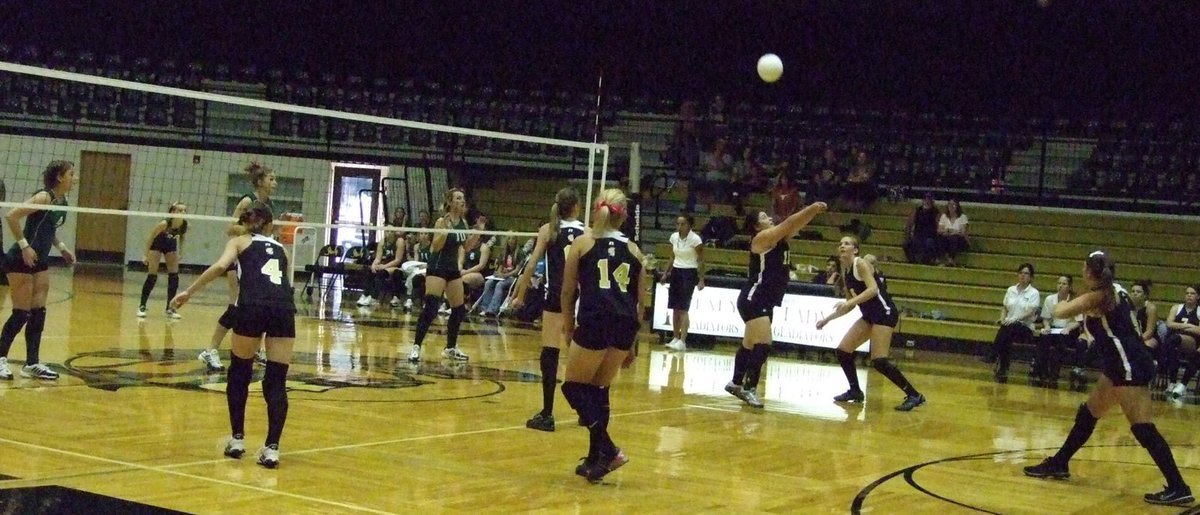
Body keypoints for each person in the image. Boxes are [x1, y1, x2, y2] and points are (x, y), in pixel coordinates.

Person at [1023, 251, 1193, 507]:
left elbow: (1059, 310)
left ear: (1090, 273)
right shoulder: (1116, 290)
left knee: (1143, 428)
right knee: (1088, 413)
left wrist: (1076, 296)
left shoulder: (1098, 297)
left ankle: (1179, 486)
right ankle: (1060, 463)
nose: (1081, 271)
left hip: (1129, 366)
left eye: (1083, 268)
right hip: (1120, 363)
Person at [172, 202, 294, 469]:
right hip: (284, 308)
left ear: (245, 223)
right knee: (276, 380)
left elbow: (220, 267)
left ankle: (238, 439)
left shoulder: (239, 241)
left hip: (251, 307)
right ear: (270, 226)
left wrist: (188, 292)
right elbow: (284, 282)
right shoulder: (281, 248)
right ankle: (272, 448)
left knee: (240, 371)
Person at [559, 188, 645, 483]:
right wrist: (634, 342)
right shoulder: (634, 250)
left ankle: (607, 449)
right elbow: (639, 300)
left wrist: (567, 325)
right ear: (623, 218)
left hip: (596, 318)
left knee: (573, 387)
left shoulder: (583, 243)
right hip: (625, 323)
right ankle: (596, 460)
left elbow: (568, 290)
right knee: (598, 390)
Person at [725, 202, 828, 408]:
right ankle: (749, 388)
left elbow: (796, 225)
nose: (770, 218)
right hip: (755, 298)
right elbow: (790, 222)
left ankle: (735, 382)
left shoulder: (778, 238)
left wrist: (812, 214)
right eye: (764, 217)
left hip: (765, 299)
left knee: (749, 343)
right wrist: (812, 207)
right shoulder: (761, 239)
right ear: (756, 226)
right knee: (763, 343)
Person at [817, 235, 927, 411]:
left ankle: (914, 395)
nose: (842, 246)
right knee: (843, 351)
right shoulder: (845, 271)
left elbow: (873, 289)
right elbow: (848, 305)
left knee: (879, 361)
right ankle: (855, 391)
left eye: (847, 243)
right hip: (869, 315)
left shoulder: (860, 263)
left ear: (856, 249)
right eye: (840, 243)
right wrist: (827, 319)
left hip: (885, 313)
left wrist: (851, 302)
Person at [512, 187, 584, 432]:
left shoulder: (548, 229)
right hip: (580, 297)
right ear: (576, 206)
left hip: (555, 296)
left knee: (550, 354)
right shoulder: (587, 232)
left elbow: (531, 265)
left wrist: (520, 296)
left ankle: (547, 413)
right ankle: (586, 411)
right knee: (582, 355)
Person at [0, 160, 76, 380]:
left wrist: (62, 248)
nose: (75, 178)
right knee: (21, 312)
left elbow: (48, 229)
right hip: (20, 259)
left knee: (38, 312)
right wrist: (24, 246)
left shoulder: (63, 201)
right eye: (71, 174)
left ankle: (32, 363)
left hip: (40, 260)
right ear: (60, 177)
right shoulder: (44, 197)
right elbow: (12, 215)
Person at [198, 161, 276, 372]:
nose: (275, 182)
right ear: (260, 182)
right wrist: (250, 230)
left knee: (258, 303)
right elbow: (230, 228)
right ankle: (210, 350)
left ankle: (257, 350)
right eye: (271, 178)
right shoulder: (247, 201)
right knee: (236, 305)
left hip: (257, 259)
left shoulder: (269, 204)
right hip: (239, 257)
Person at [407, 188, 475, 363]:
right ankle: (416, 347)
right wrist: (445, 232)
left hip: (452, 268)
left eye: (463, 198)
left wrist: (479, 231)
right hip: (437, 267)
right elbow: (435, 247)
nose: (462, 201)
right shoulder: (441, 222)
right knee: (431, 308)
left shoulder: (464, 223)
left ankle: (450, 348)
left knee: (459, 310)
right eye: (458, 198)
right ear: (450, 202)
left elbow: (466, 246)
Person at [989, 263, 1041, 382]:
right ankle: (1002, 366)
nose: (1023, 275)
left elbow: (1030, 311)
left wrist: (1014, 319)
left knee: (1007, 330)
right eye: (1021, 273)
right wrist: (1002, 319)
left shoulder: (1034, 293)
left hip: (1025, 326)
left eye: (1026, 273)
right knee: (1006, 333)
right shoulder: (1011, 290)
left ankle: (994, 354)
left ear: (1031, 277)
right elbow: (1005, 307)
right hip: (1009, 326)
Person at [661, 215, 705, 352]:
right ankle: (675, 337)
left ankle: (683, 340)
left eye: (683, 224)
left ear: (689, 225)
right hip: (676, 272)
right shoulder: (674, 237)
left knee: (684, 308)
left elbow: (702, 260)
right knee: (675, 307)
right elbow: (672, 256)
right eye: (678, 224)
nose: (680, 227)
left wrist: (701, 279)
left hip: (689, 273)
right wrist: (665, 273)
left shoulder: (695, 240)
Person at [138, 202, 188, 319]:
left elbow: (182, 237)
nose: (183, 213)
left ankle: (170, 308)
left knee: (174, 275)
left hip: (170, 245)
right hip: (156, 245)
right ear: (173, 212)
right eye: (180, 210)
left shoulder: (184, 224)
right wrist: (145, 255)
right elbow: (151, 237)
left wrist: (181, 252)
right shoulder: (164, 223)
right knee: (152, 275)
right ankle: (142, 306)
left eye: (184, 211)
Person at [1032, 275, 1081, 387]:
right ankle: (1041, 372)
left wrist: (1067, 328)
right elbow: (1046, 318)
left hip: (1068, 329)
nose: (1060, 286)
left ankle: (1054, 374)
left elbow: (1078, 321)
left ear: (1069, 286)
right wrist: (1047, 326)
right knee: (1043, 339)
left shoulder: (1074, 301)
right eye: (1059, 283)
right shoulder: (1050, 299)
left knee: (1060, 343)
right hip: (1053, 328)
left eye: (1064, 284)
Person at [357, 208, 407, 308]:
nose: (388, 233)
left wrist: (384, 266)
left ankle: (373, 297)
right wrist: (374, 265)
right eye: (387, 231)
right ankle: (365, 295)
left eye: (390, 231)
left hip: (397, 266)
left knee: (381, 273)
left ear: (394, 232)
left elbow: (398, 260)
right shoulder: (382, 242)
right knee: (370, 271)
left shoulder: (399, 241)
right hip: (384, 265)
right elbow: (378, 258)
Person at [1160, 285, 1200, 398]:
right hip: (1174, 340)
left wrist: (1180, 327)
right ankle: (1172, 382)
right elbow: (1169, 323)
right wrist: (1188, 326)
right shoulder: (1176, 308)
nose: (1189, 295)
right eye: (1187, 293)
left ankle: (1180, 384)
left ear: (1198, 296)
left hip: (1191, 342)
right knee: (1172, 343)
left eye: (1192, 293)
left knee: (1175, 339)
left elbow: (1199, 331)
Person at [903, 193, 940, 265]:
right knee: (906, 243)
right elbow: (909, 224)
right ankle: (912, 260)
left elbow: (938, 226)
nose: (927, 201)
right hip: (918, 236)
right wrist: (908, 235)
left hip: (930, 237)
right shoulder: (917, 211)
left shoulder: (936, 212)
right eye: (925, 199)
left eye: (929, 200)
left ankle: (926, 261)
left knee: (929, 243)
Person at [936, 199, 969, 266]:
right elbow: (939, 230)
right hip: (946, 238)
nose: (951, 206)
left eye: (954, 204)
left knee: (954, 238)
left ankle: (951, 260)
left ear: (957, 206)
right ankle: (946, 260)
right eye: (950, 204)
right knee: (941, 239)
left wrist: (951, 231)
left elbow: (962, 232)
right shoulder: (944, 216)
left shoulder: (963, 217)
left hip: (959, 240)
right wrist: (948, 231)